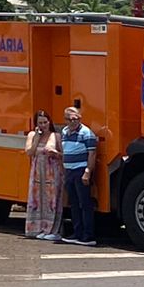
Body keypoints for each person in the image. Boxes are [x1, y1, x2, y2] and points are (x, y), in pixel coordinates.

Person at [59, 105, 98, 246]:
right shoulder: (64, 132)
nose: (73, 121)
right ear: (65, 120)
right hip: (69, 171)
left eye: (76, 119)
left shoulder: (86, 133)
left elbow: (92, 154)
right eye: (70, 119)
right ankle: (77, 233)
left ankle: (88, 235)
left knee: (85, 204)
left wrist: (87, 171)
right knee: (74, 204)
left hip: (81, 171)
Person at [23, 110, 64, 241]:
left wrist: (55, 153)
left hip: (52, 171)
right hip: (37, 171)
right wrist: (36, 137)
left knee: (51, 200)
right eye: (40, 123)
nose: (43, 125)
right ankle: (36, 228)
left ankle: (52, 229)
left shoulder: (56, 136)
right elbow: (29, 152)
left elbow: (63, 155)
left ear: (49, 122)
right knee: (37, 199)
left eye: (45, 122)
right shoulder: (32, 135)